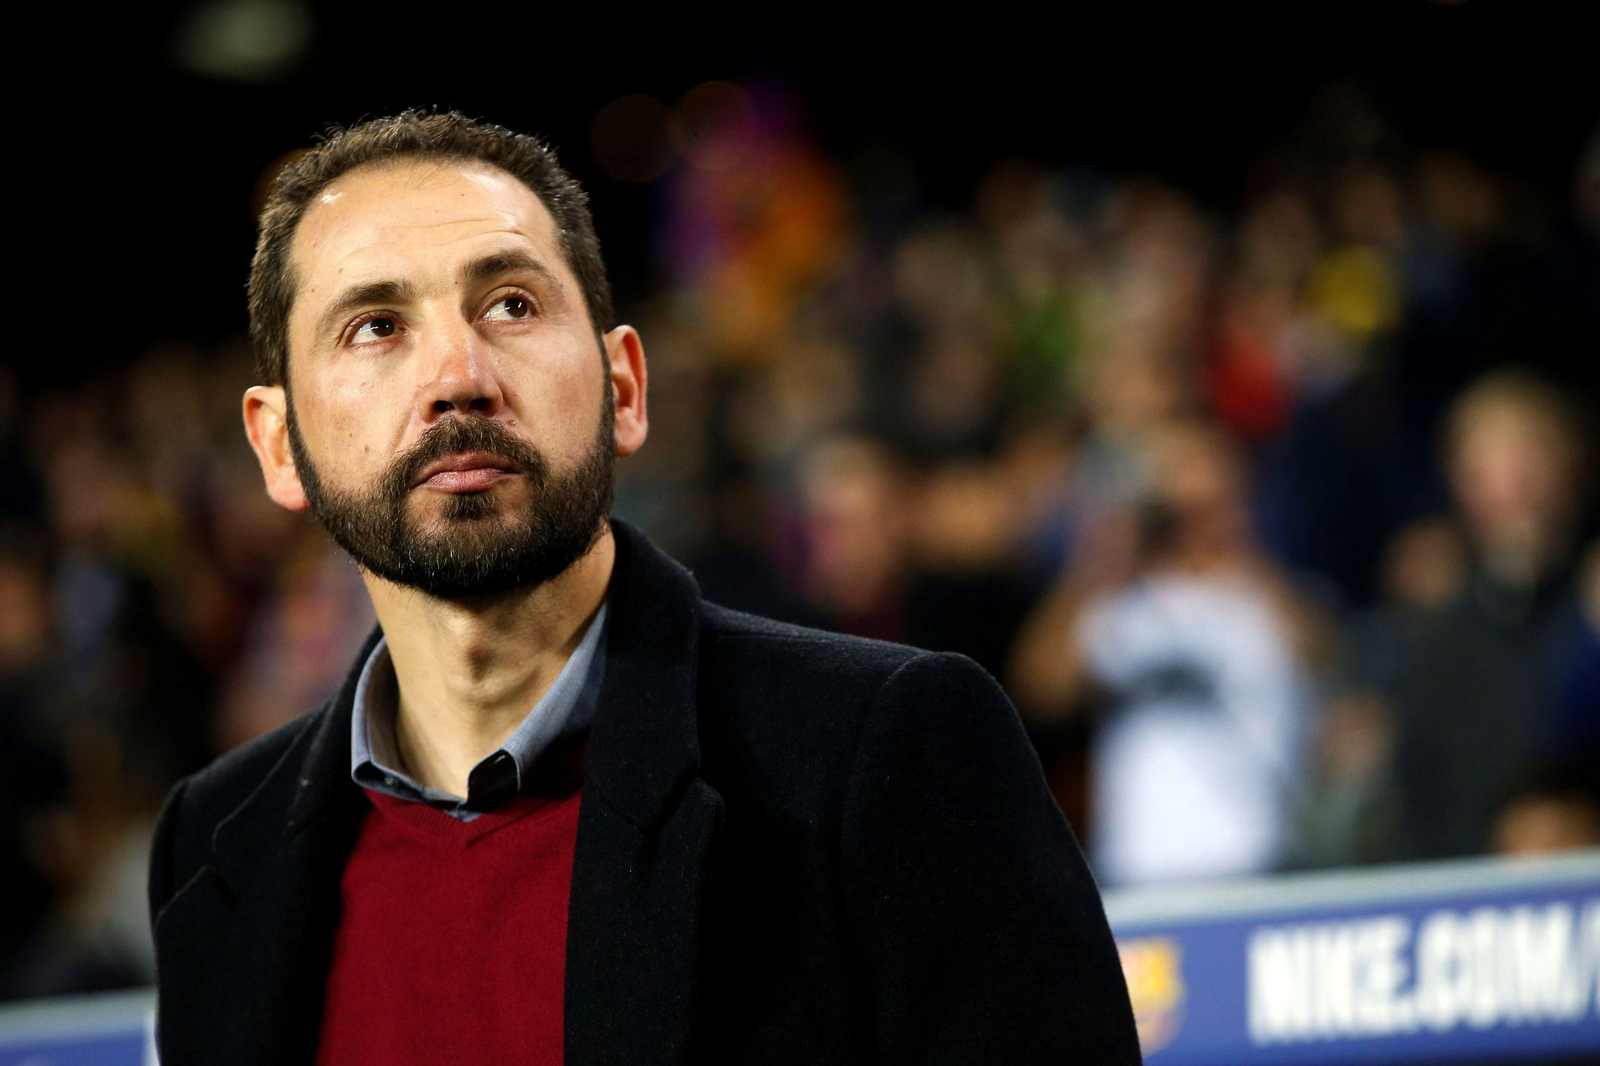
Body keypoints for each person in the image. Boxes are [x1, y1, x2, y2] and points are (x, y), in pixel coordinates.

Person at [145, 111, 1138, 1066]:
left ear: (623, 388)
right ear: (279, 444)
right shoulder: (214, 843)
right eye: (374, 326)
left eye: (511, 305)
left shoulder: (889, 750)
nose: (458, 375)